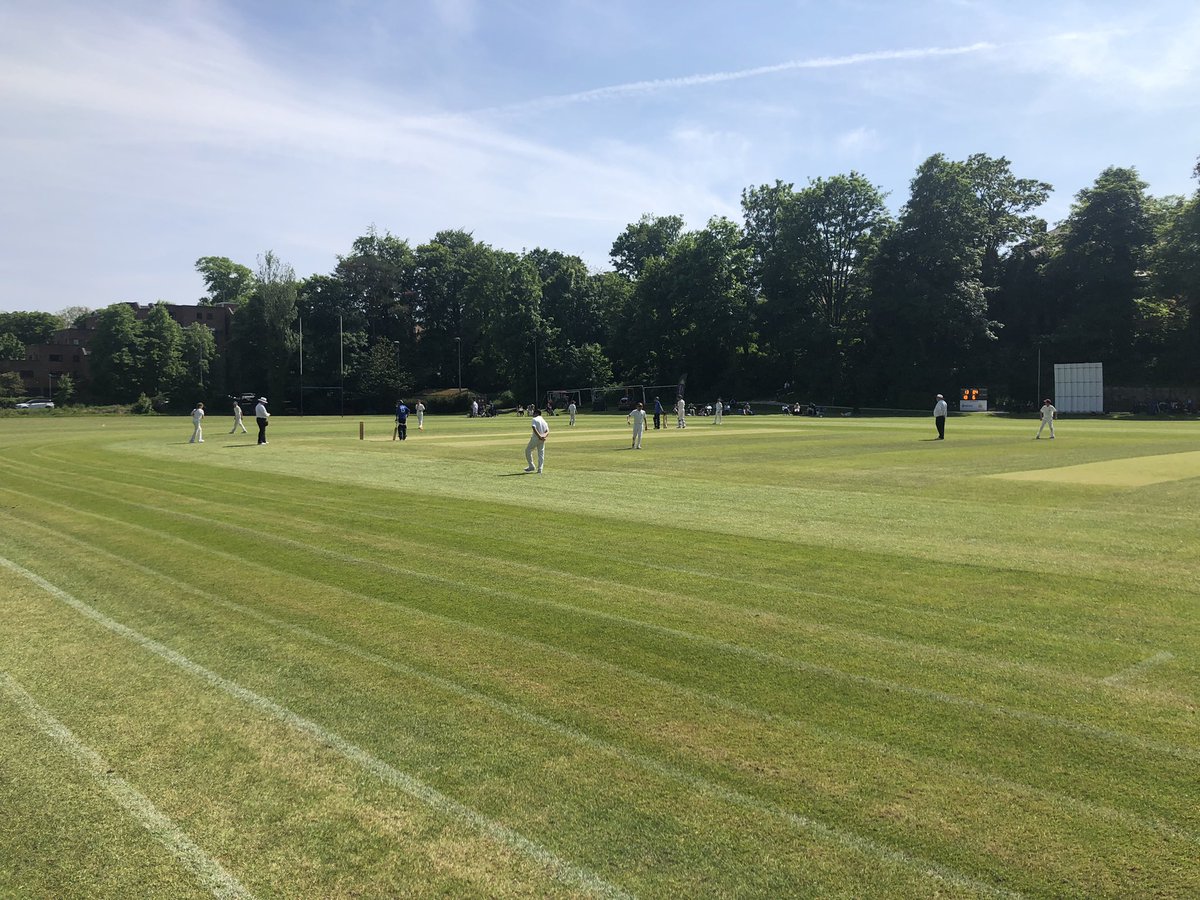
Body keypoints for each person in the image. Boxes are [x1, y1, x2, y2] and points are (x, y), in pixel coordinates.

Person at [524, 406, 549, 474]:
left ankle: (531, 466)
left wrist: (539, 436)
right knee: (541, 453)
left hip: (536, 438)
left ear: (536, 413)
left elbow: (534, 428)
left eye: (534, 413)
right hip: (542, 439)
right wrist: (544, 436)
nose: (533, 415)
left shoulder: (534, 419)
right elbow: (547, 431)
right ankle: (540, 469)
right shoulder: (544, 421)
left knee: (528, 450)